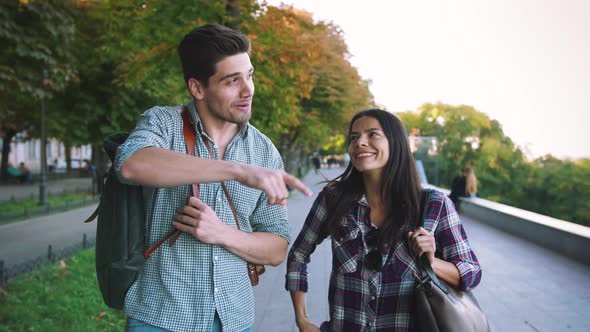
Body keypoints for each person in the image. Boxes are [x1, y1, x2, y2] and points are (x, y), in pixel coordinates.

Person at [115, 24, 312, 332]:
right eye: (233, 81)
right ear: (197, 88)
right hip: (160, 318)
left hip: (235, 320)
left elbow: (276, 248)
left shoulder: (264, 151)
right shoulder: (163, 123)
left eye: (249, 75)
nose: (248, 90)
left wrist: (222, 233)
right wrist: (237, 170)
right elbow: (130, 164)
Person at [286, 109, 482, 332]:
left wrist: (431, 263)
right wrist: (302, 320)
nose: (360, 142)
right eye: (354, 137)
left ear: (395, 143)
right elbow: (298, 255)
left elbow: (472, 272)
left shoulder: (433, 204)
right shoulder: (333, 199)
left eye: (372, 134)